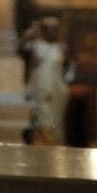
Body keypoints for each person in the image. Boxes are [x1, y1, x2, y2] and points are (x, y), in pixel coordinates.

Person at [22, 16, 73, 145]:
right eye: (47, 28)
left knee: (55, 125)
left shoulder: (62, 48)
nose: (51, 32)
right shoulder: (36, 46)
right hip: (41, 91)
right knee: (42, 123)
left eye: (54, 29)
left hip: (57, 93)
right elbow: (22, 51)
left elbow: (68, 70)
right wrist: (28, 35)